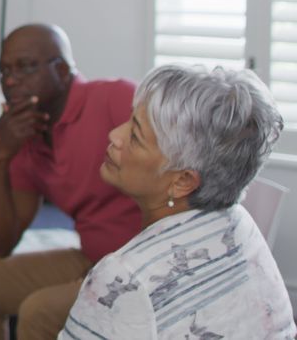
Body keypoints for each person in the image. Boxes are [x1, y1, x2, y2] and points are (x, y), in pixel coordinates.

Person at [60, 65, 296, 338]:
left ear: (183, 181)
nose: (115, 135)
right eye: (129, 120)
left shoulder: (125, 276)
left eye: (135, 137)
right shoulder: (241, 225)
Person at [0, 24, 142, 339]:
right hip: (92, 261)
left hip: (142, 267)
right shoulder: (25, 136)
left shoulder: (116, 98)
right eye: (4, 72)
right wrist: (0, 155)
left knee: (40, 311)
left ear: (63, 70)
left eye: (25, 67)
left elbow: (179, 175)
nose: (11, 81)